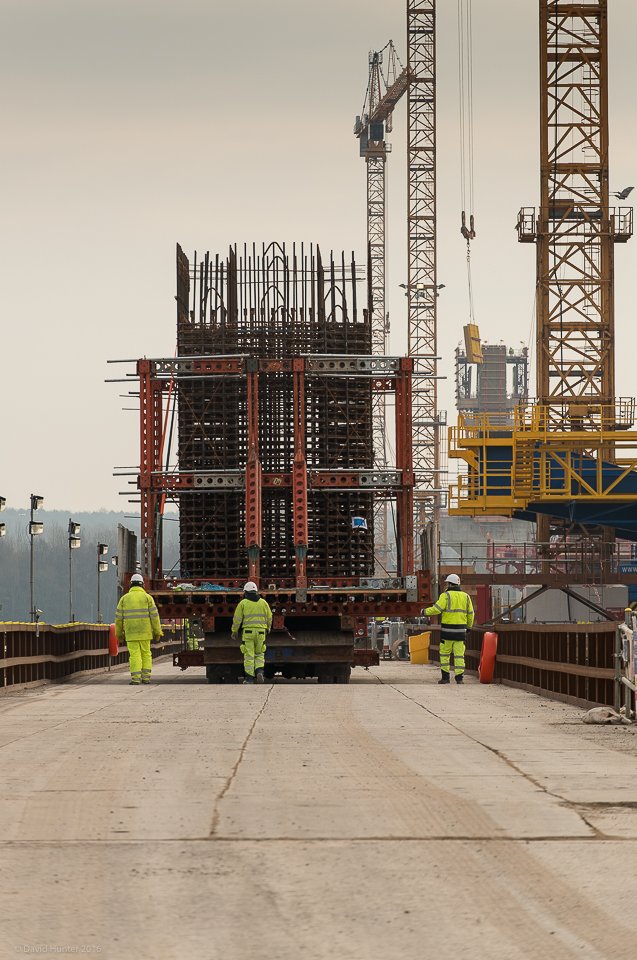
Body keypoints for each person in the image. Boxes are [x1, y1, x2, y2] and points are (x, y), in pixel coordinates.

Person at [425, 573, 474, 685]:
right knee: (459, 655)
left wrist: (424, 612)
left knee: (444, 654)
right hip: (460, 632)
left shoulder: (445, 596)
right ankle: (459, 679)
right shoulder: (466, 597)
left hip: (447, 632)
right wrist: (469, 627)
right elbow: (471, 614)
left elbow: (436, 609)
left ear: (449, 584)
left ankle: (445, 678)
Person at [115, 573, 163, 685]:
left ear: (131, 584)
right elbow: (154, 617)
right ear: (142, 584)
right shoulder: (147, 598)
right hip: (145, 633)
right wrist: (157, 632)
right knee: (146, 654)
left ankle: (135, 679)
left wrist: (119, 635)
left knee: (134, 655)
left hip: (131, 633)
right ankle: (146, 678)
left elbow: (118, 619)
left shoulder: (124, 599)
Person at [231, 581, 272, 684]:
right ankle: (259, 671)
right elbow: (269, 617)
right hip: (261, 632)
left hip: (248, 632)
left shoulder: (243, 603)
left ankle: (249, 678)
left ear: (246, 592)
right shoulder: (263, 603)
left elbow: (237, 619)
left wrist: (234, 631)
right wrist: (268, 628)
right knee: (259, 653)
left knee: (249, 655)